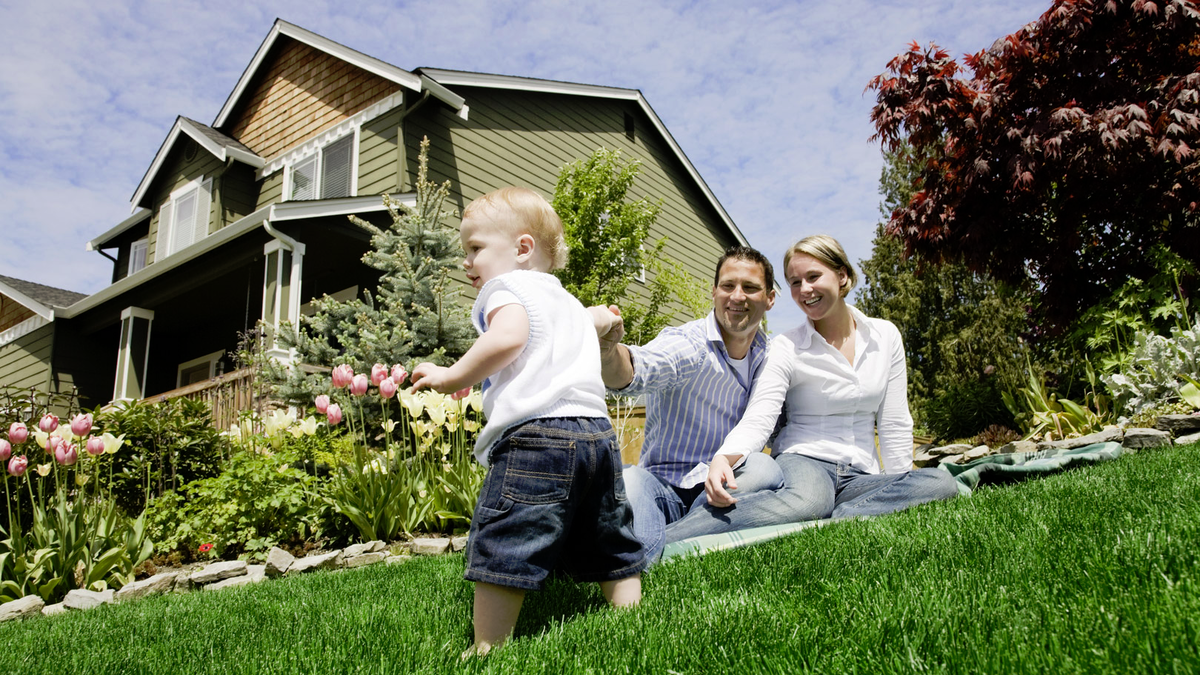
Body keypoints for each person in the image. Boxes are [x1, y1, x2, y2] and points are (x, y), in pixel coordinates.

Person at [410, 187, 645, 657]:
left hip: (538, 436)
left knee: (509, 535)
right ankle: (630, 621)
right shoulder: (566, 300)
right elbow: (593, 321)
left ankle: (488, 648)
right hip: (597, 435)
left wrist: (450, 375)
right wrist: (604, 319)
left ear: (521, 250)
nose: (466, 261)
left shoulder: (506, 288)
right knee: (608, 534)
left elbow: (509, 338)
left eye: (475, 248)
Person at [663, 235, 959, 544]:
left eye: (813, 277)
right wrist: (725, 457)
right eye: (795, 282)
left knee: (940, 483)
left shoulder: (885, 336)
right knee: (811, 502)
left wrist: (899, 484)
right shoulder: (787, 346)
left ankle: (834, 520)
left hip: (860, 473)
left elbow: (894, 421)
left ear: (842, 276)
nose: (805, 290)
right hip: (804, 462)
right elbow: (760, 416)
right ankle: (662, 541)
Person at [597, 246, 786, 563]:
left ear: (769, 298)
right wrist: (607, 352)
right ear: (714, 292)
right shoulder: (689, 343)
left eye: (750, 287)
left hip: (725, 488)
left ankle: (664, 542)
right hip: (663, 487)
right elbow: (636, 370)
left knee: (765, 468)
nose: (737, 296)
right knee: (628, 480)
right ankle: (650, 557)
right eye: (728, 286)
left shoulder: (771, 357)